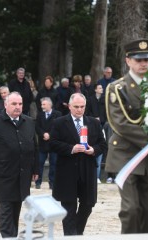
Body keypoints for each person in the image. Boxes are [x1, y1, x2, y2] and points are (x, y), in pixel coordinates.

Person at [105, 38, 148, 233]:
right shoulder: (117, 88)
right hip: (126, 155)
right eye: (139, 60)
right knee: (131, 210)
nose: (144, 63)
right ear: (128, 61)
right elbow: (120, 123)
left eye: (147, 59)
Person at [0, 92, 39, 239]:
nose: (18, 107)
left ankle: (12, 236)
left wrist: (36, 169)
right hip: (4, 173)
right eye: (14, 104)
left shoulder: (29, 122)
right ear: (6, 105)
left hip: (23, 173)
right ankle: (8, 236)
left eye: (20, 104)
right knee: (6, 208)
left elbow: (35, 148)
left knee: (16, 208)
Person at [50, 93, 107, 235]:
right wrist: (71, 148)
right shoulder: (59, 122)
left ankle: (77, 233)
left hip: (87, 170)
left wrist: (93, 150)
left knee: (88, 204)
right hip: (67, 171)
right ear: (69, 106)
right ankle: (71, 236)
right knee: (68, 207)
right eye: (76, 107)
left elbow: (103, 145)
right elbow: (53, 144)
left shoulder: (93, 122)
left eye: (82, 107)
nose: (79, 110)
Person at [35, 97, 62, 189]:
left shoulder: (58, 114)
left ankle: (52, 183)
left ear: (50, 105)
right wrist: (43, 134)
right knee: (40, 163)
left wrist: (50, 134)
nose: (42, 106)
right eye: (41, 104)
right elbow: (37, 127)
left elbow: (59, 127)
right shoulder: (39, 115)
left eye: (44, 104)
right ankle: (38, 182)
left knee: (54, 163)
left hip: (53, 143)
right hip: (42, 143)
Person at [85, 83, 106, 183]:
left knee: (101, 145)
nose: (101, 89)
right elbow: (87, 112)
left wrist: (101, 119)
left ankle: (97, 176)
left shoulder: (104, 99)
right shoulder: (90, 99)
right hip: (92, 124)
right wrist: (94, 118)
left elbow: (106, 112)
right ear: (95, 90)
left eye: (102, 87)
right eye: (100, 87)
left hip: (102, 125)